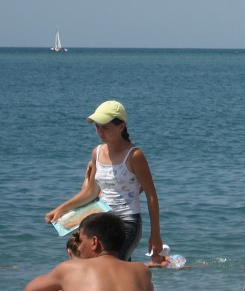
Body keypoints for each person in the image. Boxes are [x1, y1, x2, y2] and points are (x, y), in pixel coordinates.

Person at [45, 100, 164, 262]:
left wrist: (155, 234)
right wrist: (61, 209)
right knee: (109, 269)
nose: (100, 132)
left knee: (110, 265)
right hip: (102, 223)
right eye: (97, 127)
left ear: (121, 126)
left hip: (127, 222)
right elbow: (90, 192)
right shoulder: (97, 152)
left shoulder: (134, 155)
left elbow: (151, 195)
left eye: (106, 127)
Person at [25, 212, 153, 291]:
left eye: (81, 241)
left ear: (94, 242)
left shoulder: (71, 268)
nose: (79, 248)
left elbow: (31, 289)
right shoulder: (141, 270)